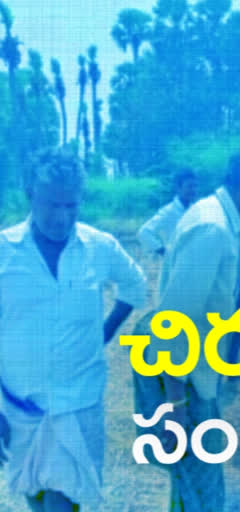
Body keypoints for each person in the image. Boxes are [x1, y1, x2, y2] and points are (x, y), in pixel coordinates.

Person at [134, 148, 240, 512]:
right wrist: (176, 405)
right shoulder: (212, 229)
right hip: (182, 380)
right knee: (204, 492)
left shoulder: (215, 219)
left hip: (194, 375)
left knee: (191, 484)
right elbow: (173, 322)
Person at [0, 147, 146, 512]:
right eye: (52, 205)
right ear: (30, 195)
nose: (62, 217)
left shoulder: (99, 247)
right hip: (21, 409)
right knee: (36, 497)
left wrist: (104, 332)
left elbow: (135, 285)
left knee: (67, 503)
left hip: (79, 405)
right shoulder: (4, 252)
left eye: (72, 206)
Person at [137, 169, 198, 256]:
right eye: (189, 186)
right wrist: (164, 252)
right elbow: (144, 232)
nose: (193, 190)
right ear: (178, 188)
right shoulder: (169, 212)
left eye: (195, 186)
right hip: (177, 264)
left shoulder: (197, 210)